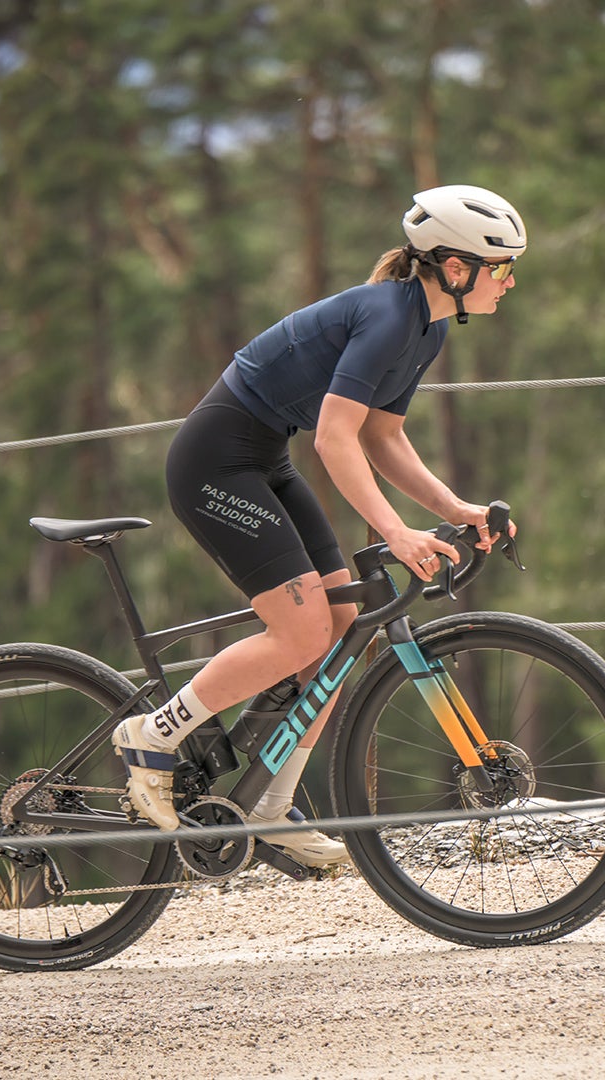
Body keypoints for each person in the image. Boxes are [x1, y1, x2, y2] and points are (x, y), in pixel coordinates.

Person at [118, 184, 523, 867]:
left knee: (337, 633)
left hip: (263, 457)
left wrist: (456, 511)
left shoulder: (424, 328)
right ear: (456, 268)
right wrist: (396, 533)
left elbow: (384, 437)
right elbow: (337, 439)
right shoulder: (390, 317)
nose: (511, 281)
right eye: (503, 266)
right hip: (215, 463)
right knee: (301, 629)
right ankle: (153, 734)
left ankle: (270, 805)